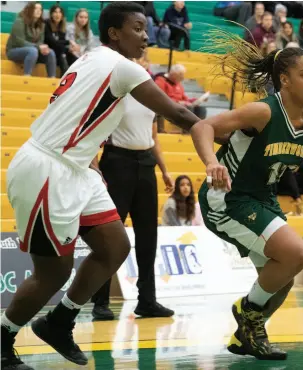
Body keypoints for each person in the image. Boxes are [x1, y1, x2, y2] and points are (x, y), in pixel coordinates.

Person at [1, 3, 203, 369]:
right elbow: (180, 114)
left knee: (115, 246)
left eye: (146, 29)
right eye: (138, 29)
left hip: (77, 167)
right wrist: (236, 130)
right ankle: (2, 338)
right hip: (49, 167)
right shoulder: (120, 66)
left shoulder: (94, 57)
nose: (146, 36)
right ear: (114, 33)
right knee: (54, 273)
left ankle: (59, 322)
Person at [190, 33, 303, 360]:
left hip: (262, 199)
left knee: (282, 277)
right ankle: (247, 312)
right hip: (226, 199)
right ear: (284, 80)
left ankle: (247, 336)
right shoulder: (263, 112)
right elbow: (202, 128)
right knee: (295, 255)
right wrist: (212, 163)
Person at [90, 55, 176, 320]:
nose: (144, 65)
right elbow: (94, 133)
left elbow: (154, 138)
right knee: (110, 234)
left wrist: (164, 169)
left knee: (149, 235)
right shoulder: (116, 93)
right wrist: (95, 168)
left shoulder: (152, 95)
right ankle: (100, 301)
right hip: (118, 162)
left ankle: (147, 300)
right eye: (138, 61)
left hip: (146, 163)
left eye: (146, 62)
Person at [6, 2, 57, 78]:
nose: (38, 11)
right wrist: (38, 46)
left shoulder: (42, 25)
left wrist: (43, 48)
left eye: (40, 9)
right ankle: (27, 76)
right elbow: (20, 42)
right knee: (32, 50)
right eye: (36, 8)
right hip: (14, 50)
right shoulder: (19, 21)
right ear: (29, 10)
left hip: (33, 52)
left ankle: (52, 79)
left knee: (50, 52)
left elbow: (40, 41)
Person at [44, 4, 69, 76]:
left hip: (58, 53)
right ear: (51, 14)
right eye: (55, 12)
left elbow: (61, 43)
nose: (57, 14)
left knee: (70, 53)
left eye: (60, 12)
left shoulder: (62, 27)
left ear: (62, 15)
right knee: (62, 50)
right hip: (47, 51)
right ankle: (65, 75)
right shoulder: (46, 23)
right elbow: (51, 41)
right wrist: (69, 42)